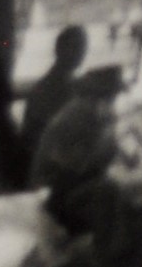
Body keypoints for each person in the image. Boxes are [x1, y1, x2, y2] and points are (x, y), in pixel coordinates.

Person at [28, 62, 131, 267]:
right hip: (55, 193)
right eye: (111, 96)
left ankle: (103, 266)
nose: (113, 101)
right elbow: (72, 165)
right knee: (110, 192)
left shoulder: (94, 115)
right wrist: (107, 140)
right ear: (99, 95)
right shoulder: (77, 115)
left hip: (69, 185)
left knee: (114, 191)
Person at [17, 24, 92, 177]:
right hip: (50, 170)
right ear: (60, 49)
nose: (82, 52)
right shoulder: (52, 88)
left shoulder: (72, 85)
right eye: (76, 46)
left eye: (83, 47)